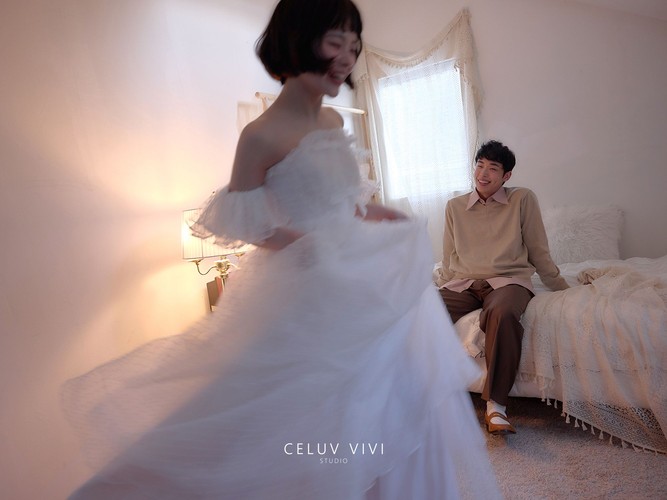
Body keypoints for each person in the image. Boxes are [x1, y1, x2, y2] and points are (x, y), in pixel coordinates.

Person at [63, 1, 500, 498]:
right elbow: (245, 221)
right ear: (298, 40)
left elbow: (345, 203)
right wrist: (308, 246)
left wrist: (383, 215)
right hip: (305, 288)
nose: (348, 57)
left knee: (388, 397)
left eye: (354, 46)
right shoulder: (259, 135)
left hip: (356, 281)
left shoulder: (333, 123)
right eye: (336, 42)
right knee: (291, 412)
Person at [436, 140, 569, 436]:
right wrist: (438, 286)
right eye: (479, 165)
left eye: (492, 168)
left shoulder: (522, 199)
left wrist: (560, 286)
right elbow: (448, 256)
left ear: (506, 175)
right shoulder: (454, 206)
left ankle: (496, 405)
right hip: (464, 281)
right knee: (424, 311)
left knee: (503, 313)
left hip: (508, 281)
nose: (483, 173)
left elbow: (538, 250)